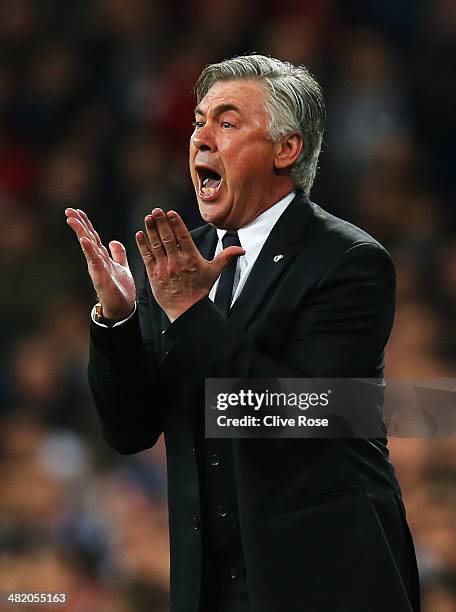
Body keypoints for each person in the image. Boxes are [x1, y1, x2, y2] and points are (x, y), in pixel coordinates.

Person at [65, 55, 421, 612]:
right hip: (210, 585)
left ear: (286, 149)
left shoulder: (348, 261)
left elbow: (300, 417)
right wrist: (120, 321)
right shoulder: (183, 263)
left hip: (325, 580)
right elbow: (130, 430)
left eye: (227, 123)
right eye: (197, 122)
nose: (200, 138)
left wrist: (189, 310)